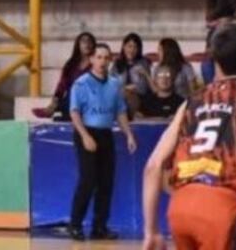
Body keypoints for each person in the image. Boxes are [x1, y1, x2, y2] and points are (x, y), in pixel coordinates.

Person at [141, 22, 236, 250]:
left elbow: (153, 165)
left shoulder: (191, 101)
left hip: (181, 206)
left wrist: (151, 231)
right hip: (222, 206)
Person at [68, 43, 137, 241]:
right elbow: (74, 112)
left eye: (106, 58)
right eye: (98, 57)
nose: (102, 61)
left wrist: (129, 135)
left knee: (106, 182)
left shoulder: (115, 84)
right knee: (88, 180)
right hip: (87, 133)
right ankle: (75, 224)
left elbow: (120, 111)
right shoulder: (81, 84)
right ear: (91, 60)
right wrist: (85, 136)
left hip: (106, 134)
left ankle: (100, 227)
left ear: (110, 60)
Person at [36, 32, 97, 120]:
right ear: (78, 45)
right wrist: (54, 101)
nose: (87, 44)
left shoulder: (96, 64)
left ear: (94, 45)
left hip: (89, 102)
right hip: (71, 99)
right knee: (67, 97)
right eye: (83, 41)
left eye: (89, 41)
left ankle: (59, 110)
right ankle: (54, 108)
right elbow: (61, 85)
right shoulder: (71, 64)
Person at [112, 32, 152, 115]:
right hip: (120, 98)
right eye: (129, 46)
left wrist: (130, 89)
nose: (132, 50)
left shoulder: (143, 63)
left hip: (139, 100)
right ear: (124, 47)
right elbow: (112, 85)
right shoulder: (117, 64)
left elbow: (144, 88)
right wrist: (125, 88)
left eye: (135, 47)